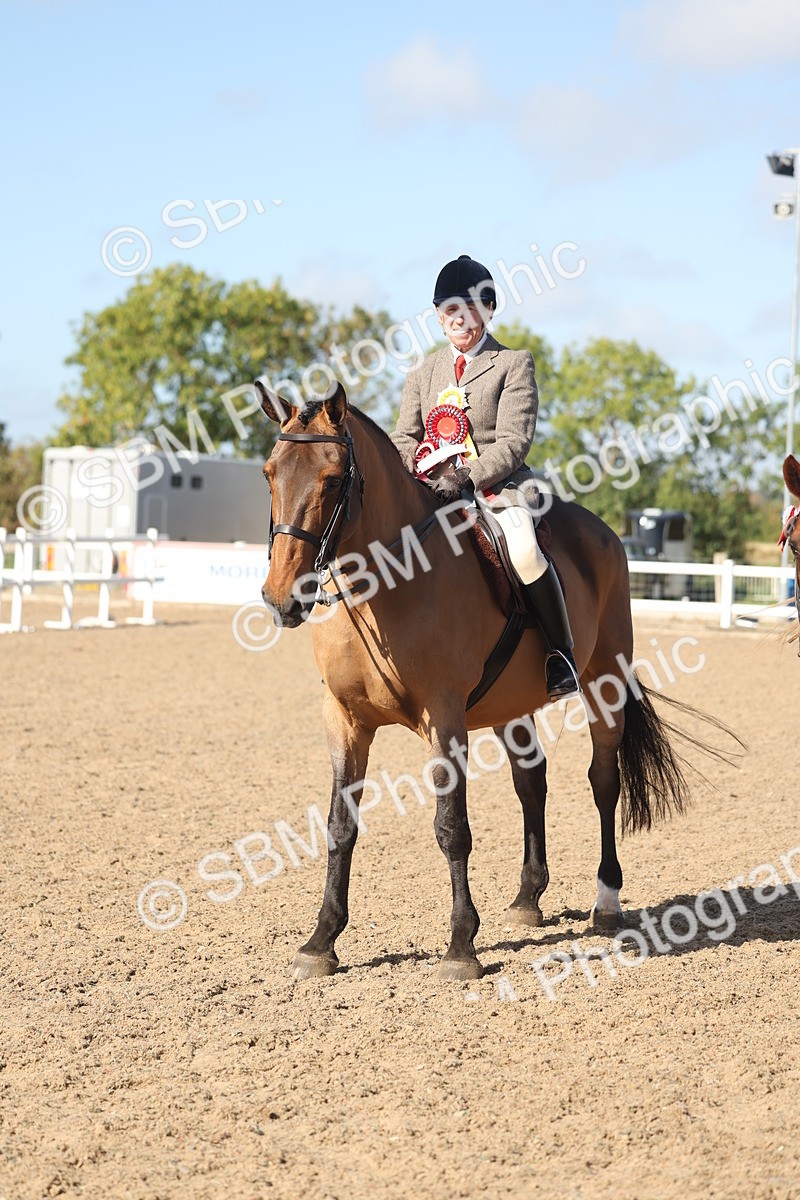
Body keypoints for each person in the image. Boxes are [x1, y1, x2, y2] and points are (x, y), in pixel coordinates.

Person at [391, 253, 580, 700]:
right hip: (431, 487)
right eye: (451, 310)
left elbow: (515, 440)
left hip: (499, 487)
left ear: (488, 311)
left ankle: (562, 655)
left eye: (471, 308)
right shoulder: (423, 371)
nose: (461, 319)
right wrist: (416, 468)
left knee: (526, 551)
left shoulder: (514, 363)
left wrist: (467, 475)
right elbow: (403, 434)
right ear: (439, 318)